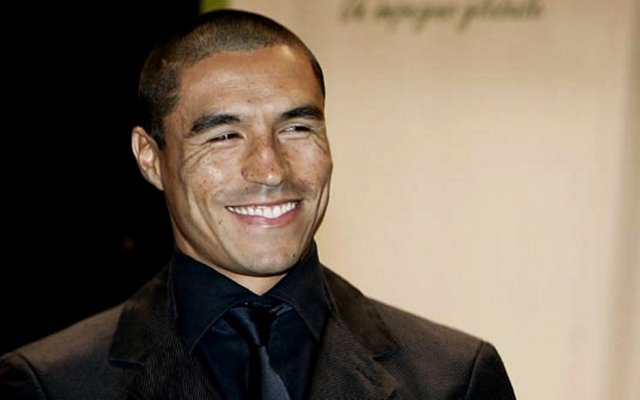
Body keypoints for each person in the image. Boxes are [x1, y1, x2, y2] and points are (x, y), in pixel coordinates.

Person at [0, 9, 516, 400]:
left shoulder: (453, 377)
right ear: (150, 158)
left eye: (297, 128)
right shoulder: (53, 383)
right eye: (224, 135)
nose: (270, 169)